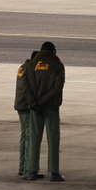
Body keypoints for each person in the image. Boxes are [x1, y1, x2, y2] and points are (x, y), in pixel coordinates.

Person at [23, 40, 65, 182]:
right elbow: (57, 87)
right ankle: (54, 172)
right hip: (51, 107)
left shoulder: (29, 66)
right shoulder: (57, 66)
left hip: (35, 107)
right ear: (53, 51)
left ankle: (31, 170)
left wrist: (33, 102)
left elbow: (25, 87)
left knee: (34, 138)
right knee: (53, 138)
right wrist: (43, 102)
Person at [14, 50, 39, 179]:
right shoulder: (30, 70)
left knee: (25, 136)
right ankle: (27, 170)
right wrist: (34, 104)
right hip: (26, 106)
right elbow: (28, 89)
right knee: (29, 137)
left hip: (20, 105)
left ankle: (23, 167)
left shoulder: (22, 67)